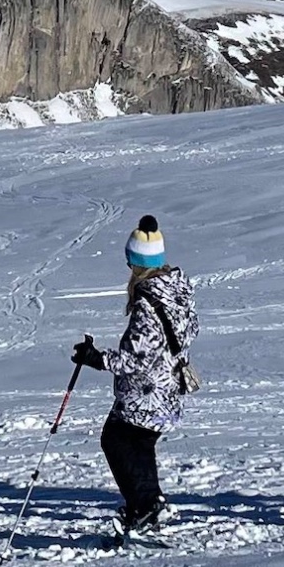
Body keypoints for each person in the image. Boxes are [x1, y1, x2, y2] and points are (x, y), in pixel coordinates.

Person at [71, 216, 198, 543]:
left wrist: (96, 358)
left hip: (146, 393)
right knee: (137, 445)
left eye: (130, 260)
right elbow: (188, 332)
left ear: (137, 262)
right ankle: (147, 503)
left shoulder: (148, 301)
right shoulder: (177, 288)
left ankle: (144, 507)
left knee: (116, 440)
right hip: (168, 389)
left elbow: (135, 358)